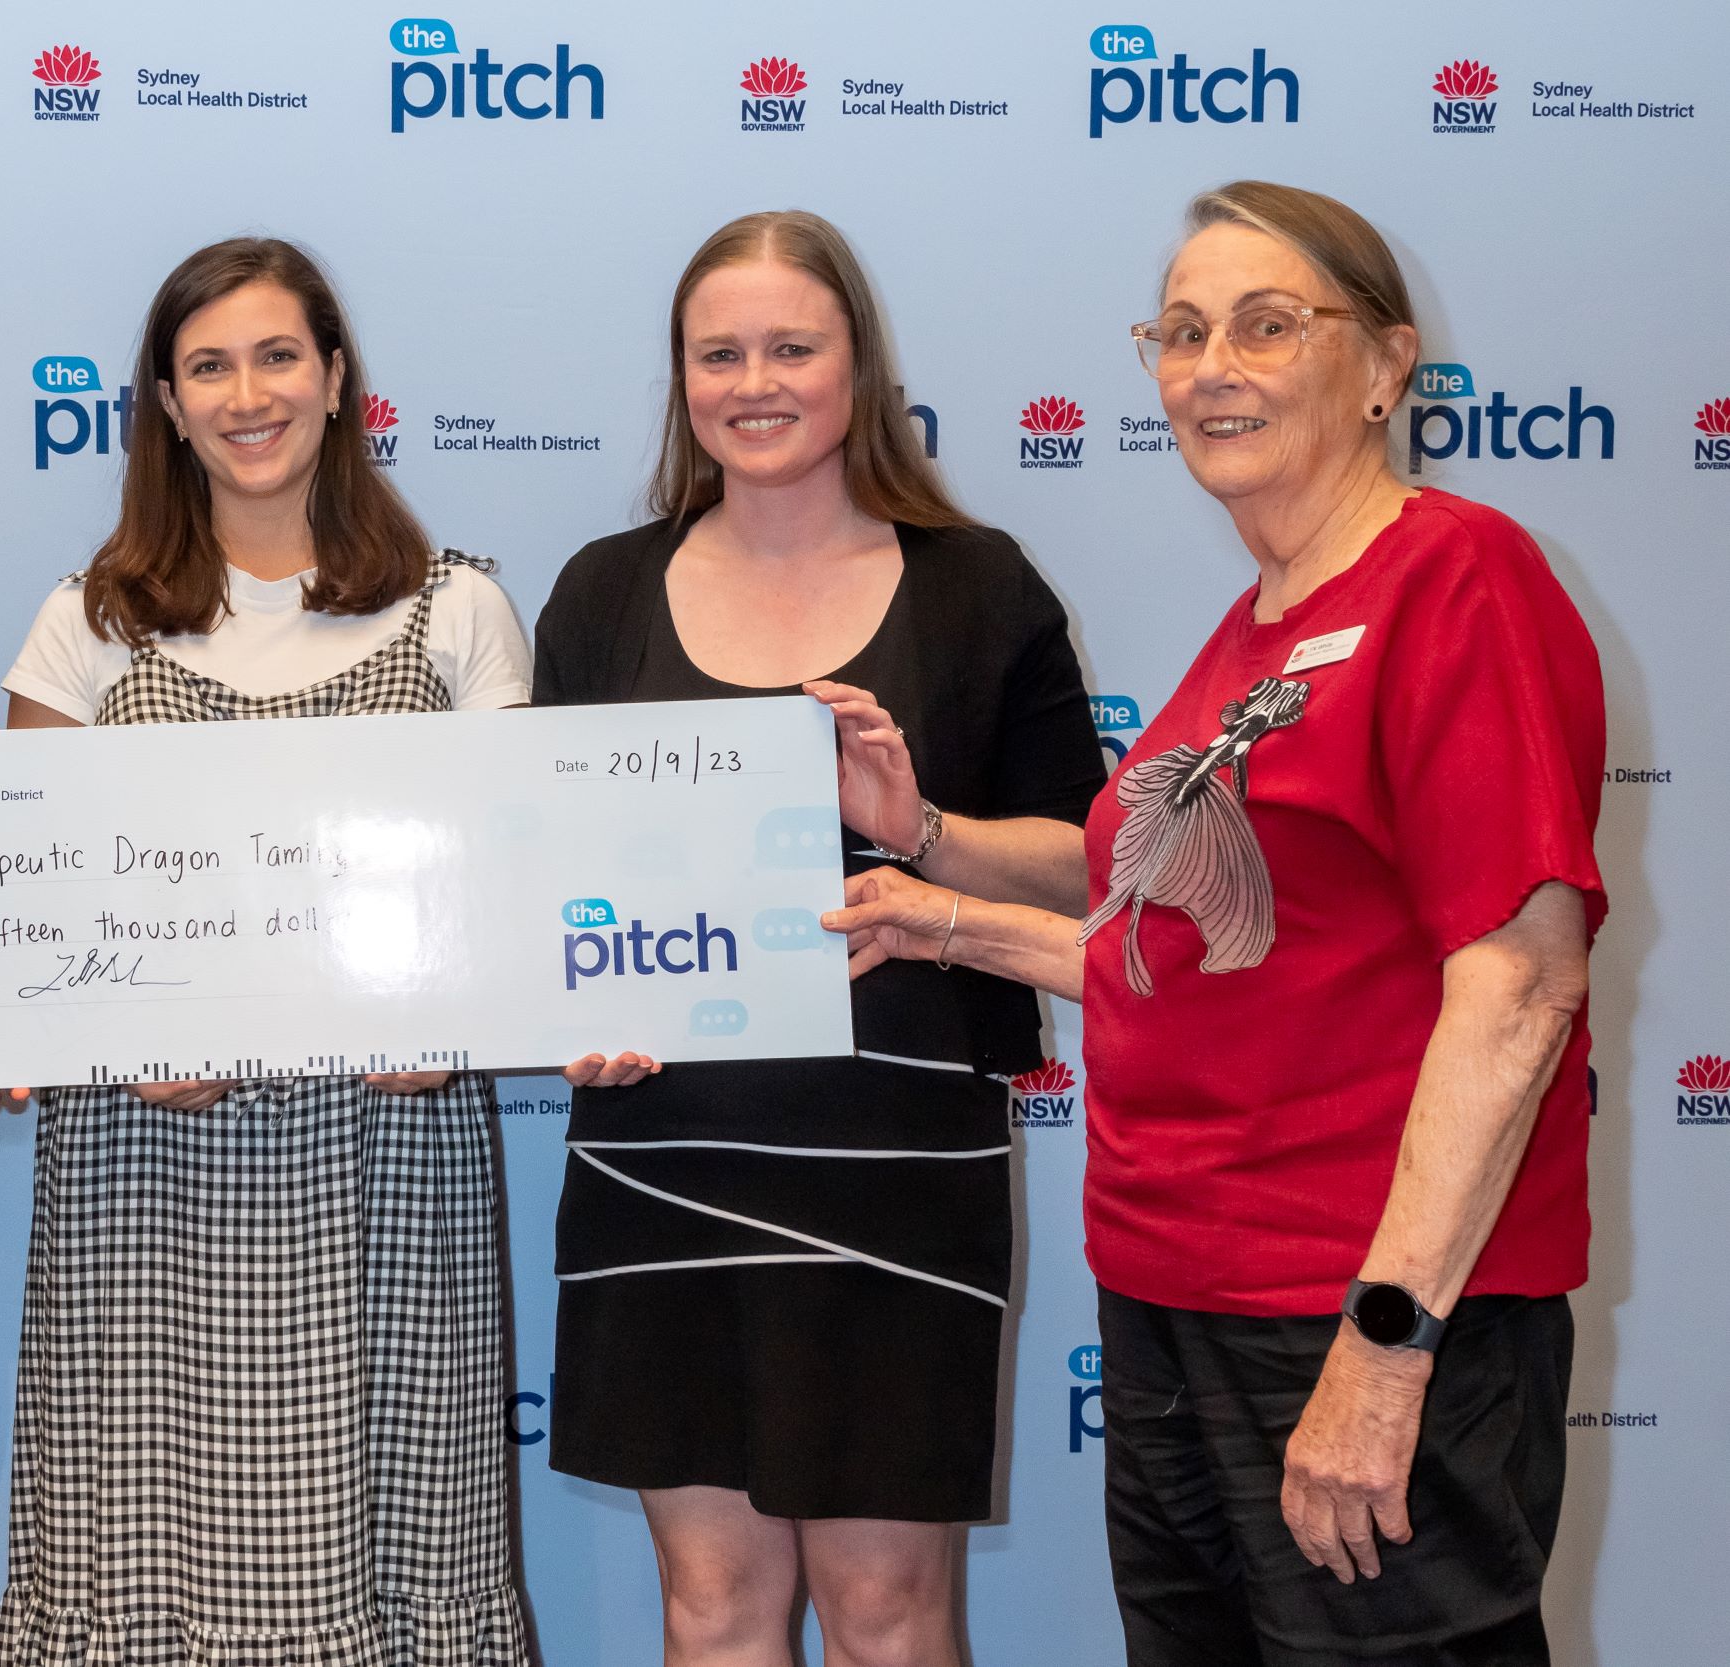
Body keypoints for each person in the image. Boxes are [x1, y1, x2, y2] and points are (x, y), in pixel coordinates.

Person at [829, 181, 1604, 1666]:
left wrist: (1385, 1354)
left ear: (1385, 366)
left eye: (1264, 324)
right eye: (1179, 333)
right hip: (1172, 1296)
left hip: (1347, 1309)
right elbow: (1176, 965)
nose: (1210, 366)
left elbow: (1516, 989)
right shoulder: (1252, 635)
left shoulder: (1456, 578)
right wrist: (941, 909)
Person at [531, 210, 1103, 1667]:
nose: (755, 379)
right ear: (682, 379)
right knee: (712, 1613)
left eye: (794, 345)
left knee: (889, 1616)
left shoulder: (981, 589)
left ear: (860, 362)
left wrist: (920, 834)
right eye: (718, 352)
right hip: (663, 1163)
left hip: (902, 1172)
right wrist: (555, 1003)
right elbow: (539, 876)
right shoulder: (601, 593)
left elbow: (1091, 874)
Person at [0, 237, 531, 1667]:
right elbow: (41, 923)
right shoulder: (86, 626)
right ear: (166, 404)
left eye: (279, 355)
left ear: (339, 379)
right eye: (208, 365)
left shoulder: (458, 612)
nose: (248, 394)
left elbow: (510, 901)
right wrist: (109, 1042)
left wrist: (454, 1022)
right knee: (140, 1557)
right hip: (146, 1186)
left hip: (390, 1174)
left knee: (403, 1539)